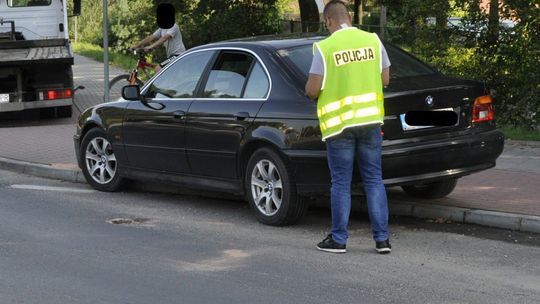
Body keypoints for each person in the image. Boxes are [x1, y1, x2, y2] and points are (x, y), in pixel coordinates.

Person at [305, 0, 392, 254]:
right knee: (374, 179)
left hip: (340, 126)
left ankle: (339, 240)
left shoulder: (325, 48)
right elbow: (385, 79)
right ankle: (382, 239)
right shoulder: (373, 41)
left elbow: (312, 90)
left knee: (341, 182)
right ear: (350, 17)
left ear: (328, 21)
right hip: (370, 122)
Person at [131, 3, 186, 72]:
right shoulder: (162, 28)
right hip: (171, 56)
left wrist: (150, 47)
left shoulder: (174, 26)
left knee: (158, 69)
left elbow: (164, 38)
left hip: (179, 55)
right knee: (162, 70)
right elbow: (151, 37)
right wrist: (136, 46)